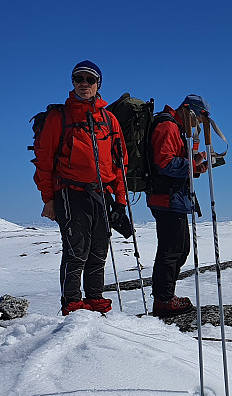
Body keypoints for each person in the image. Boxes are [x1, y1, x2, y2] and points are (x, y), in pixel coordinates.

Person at [33, 60, 128, 315]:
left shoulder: (109, 120)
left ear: (98, 84)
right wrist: (48, 199)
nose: (84, 84)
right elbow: (43, 160)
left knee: (99, 249)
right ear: (73, 82)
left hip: (102, 194)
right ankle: (72, 303)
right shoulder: (59, 117)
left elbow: (120, 164)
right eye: (79, 79)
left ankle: (95, 299)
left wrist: (120, 201)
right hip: (69, 192)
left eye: (89, 80)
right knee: (76, 250)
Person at [145, 94, 211, 317]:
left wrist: (195, 169)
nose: (198, 124)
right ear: (189, 111)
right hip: (167, 198)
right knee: (172, 249)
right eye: (198, 119)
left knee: (179, 248)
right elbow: (164, 163)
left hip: (173, 197)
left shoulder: (174, 127)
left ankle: (166, 297)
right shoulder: (168, 126)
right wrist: (193, 163)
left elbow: (172, 164)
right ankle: (163, 301)